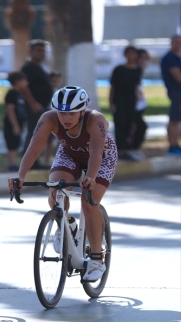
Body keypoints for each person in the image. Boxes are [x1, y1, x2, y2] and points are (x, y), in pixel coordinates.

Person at [7, 86, 117, 282]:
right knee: (56, 187)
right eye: (62, 112)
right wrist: (20, 175)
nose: (65, 118)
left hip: (100, 157)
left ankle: (96, 259)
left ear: (83, 111)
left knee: (88, 202)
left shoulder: (96, 120)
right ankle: (66, 224)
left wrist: (91, 177)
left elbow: (97, 152)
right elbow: (34, 148)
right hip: (69, 154)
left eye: (72, 113)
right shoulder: (48, 119)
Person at [20, 39, 53, 169]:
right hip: (34, 108)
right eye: (39, 50)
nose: (42, 53)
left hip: (42, 107)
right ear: (31, 51)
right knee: (35, 134)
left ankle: (34, 161)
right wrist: (33, 103)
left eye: (43, 50)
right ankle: (30, 163)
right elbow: (24, 87)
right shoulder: (28, 68)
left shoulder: (39, 67)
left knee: (39, 135)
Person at [110, 45, 142, 161]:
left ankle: (129, 147)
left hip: (132, 100)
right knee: (120, 123)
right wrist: (111, 102)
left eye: (134, 53)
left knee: (131, 123)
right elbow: (113, 86)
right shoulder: (118, 69)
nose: (131, 56)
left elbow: (137, 86)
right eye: (129, 53)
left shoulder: (138, 69)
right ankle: (121, 149)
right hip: (119, 99)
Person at [3, 71, 29, 172]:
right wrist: (15, 125)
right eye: (24, 80)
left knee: (17, 142)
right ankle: (12, 164)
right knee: (12, 143)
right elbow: (10, 110)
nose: (26, 82)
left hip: (20, 122)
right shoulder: (11, 94)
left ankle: (15, 164)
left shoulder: (21, 94)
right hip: (12, 123)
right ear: (17, 82)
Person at [160, 35, 181, 156]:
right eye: (176, 42)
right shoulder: (170, 58)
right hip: (176, 93)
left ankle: (175, 144)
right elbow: (178, 77)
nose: (179, 45)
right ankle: (172, 145)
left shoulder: (177, 58)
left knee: (176, 120)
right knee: (174, 120)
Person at [131, 48, 151, 161]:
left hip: (140, 105)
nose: (144, 61)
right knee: (138, 127)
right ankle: (130, 149)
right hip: (132, 105)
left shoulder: (140, 70)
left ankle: (134, 149)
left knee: (140, 127)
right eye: (141, 58)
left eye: (146, 58)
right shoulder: (132, 70)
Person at [44, 70, 63, 165]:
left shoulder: (60, 92)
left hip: (58, 119)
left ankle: (58, 160)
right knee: (49, 141)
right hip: (50, 118)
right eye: (53, 80)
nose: (55, 82)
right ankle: (47, 160)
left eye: (57, 80)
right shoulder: (47, 92)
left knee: (60, 141)